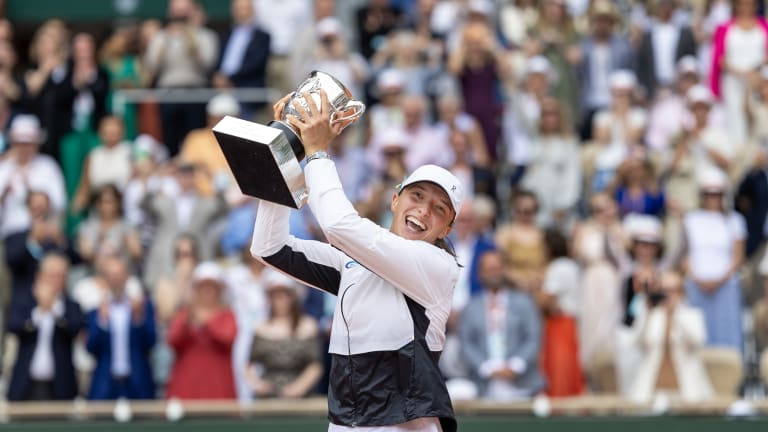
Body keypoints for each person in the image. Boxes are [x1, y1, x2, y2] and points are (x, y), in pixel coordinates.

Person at [250, 91, 462, 431]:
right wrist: (284, 157)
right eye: (417, 196)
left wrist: (317, 151)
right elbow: (268, 247)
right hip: (348, 421)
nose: (423, 210)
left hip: (404, 425)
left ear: (447, 229)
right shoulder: (356, 261)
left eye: (439, 209)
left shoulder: (436, 264)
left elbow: (337, 225)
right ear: (395, 199)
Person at [459, 250, 545, 400]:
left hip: (522, 384)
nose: (494, 273)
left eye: (498, 268)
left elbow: (533, 337)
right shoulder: (471, 307)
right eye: (489, 269)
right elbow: (466, 343)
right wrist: (487, 368)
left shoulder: (524, 302)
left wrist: (515, 366)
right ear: (480, 274)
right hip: (484, 385)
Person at [6, 253, 84, 401]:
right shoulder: (25, 303)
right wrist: (39, 310)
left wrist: (54, 309)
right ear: (40, 276)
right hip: (26, 385)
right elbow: (14, 326)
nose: (56, 281)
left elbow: (74, 329)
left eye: (60, 276)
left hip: (60, 386)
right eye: (52, 275)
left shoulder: (71, 306)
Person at [627, 271, 714, 403]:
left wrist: (676, 312)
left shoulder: (692, 315)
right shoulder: (650, 315)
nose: (668, 295)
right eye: (664, 290)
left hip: (687, 391)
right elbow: (636, 343)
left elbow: (698, 340)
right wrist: (647, 313)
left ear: (682, 293)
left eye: (673, 290)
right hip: (651, 391)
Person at [86, 255, 156, 400]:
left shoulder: (142, 307)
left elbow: (151, 341)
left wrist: (138, 319)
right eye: (111, 275)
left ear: (126, 277)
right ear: (105, 279)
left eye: (119, 274)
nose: (115, 279)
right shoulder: (96, 311)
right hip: (105, 386)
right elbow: (91, 348)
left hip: (137, 384)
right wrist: (102, 322)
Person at [166, 262, 237, 399]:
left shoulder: (228, 315)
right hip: (186, 391)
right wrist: (188, 317)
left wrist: (205, 321)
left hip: (219, 392)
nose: (207, 291)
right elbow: (173, 340)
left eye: (212, 286)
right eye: (203, 286)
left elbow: (227, 338)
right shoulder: (185, 315)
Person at [247, 270, 321, 399]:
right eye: (274, 295)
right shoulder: (260, 327)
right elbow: (249, 364)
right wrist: (258, 384)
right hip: (267, 397)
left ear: (293, 296)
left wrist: (300, 387)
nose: (279, 299)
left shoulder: (308, 325)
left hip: (301, 397)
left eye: (284, 294)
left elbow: (315, 365)